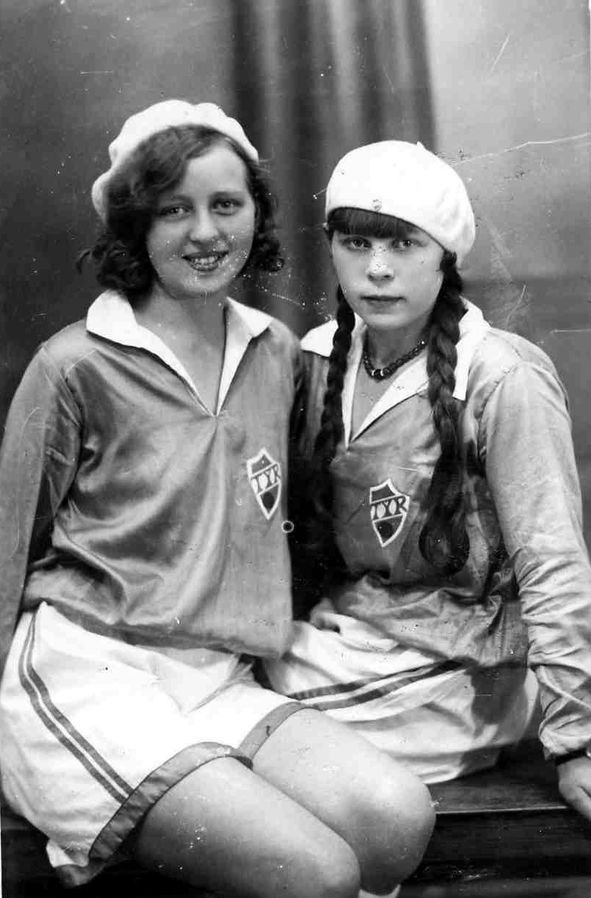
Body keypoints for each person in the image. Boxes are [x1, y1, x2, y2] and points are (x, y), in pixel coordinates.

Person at [0, 104, 434, 898]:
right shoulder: (74, 365)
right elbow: (5, 550)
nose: (205, 232)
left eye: (225, 204)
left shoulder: (276, 353)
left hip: (216, 678)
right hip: (88, 674)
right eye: (174, 209)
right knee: (315, 873)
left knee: (394, 819)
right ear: (136, 223)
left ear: (255, 213)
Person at [265, 139, 591, 819]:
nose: (378, 269)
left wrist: (576, 742)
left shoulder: (501, 376)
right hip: (350, 638)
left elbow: (552, 560)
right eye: (356, 243)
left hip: (462, 668)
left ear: (446, 257)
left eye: (404, 245)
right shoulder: (316, 360)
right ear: (331, 248)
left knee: (249, 733)